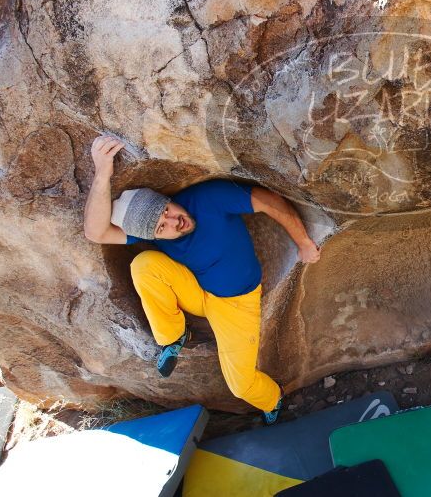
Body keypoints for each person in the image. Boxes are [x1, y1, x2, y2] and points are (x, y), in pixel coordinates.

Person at [83, 134, 321, 424]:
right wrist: (102, 172)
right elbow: (96, 232)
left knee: (240, 384)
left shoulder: (207, 199)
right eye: (161, 227)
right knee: (143, 264)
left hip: (235, 305)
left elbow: (269, 201)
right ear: (151, 235)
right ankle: (174, 336)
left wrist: (304, 243)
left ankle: (273, 399)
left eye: (166, 211)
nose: (173, 222)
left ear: (168, 200)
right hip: (197, 291)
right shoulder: (154, 234)